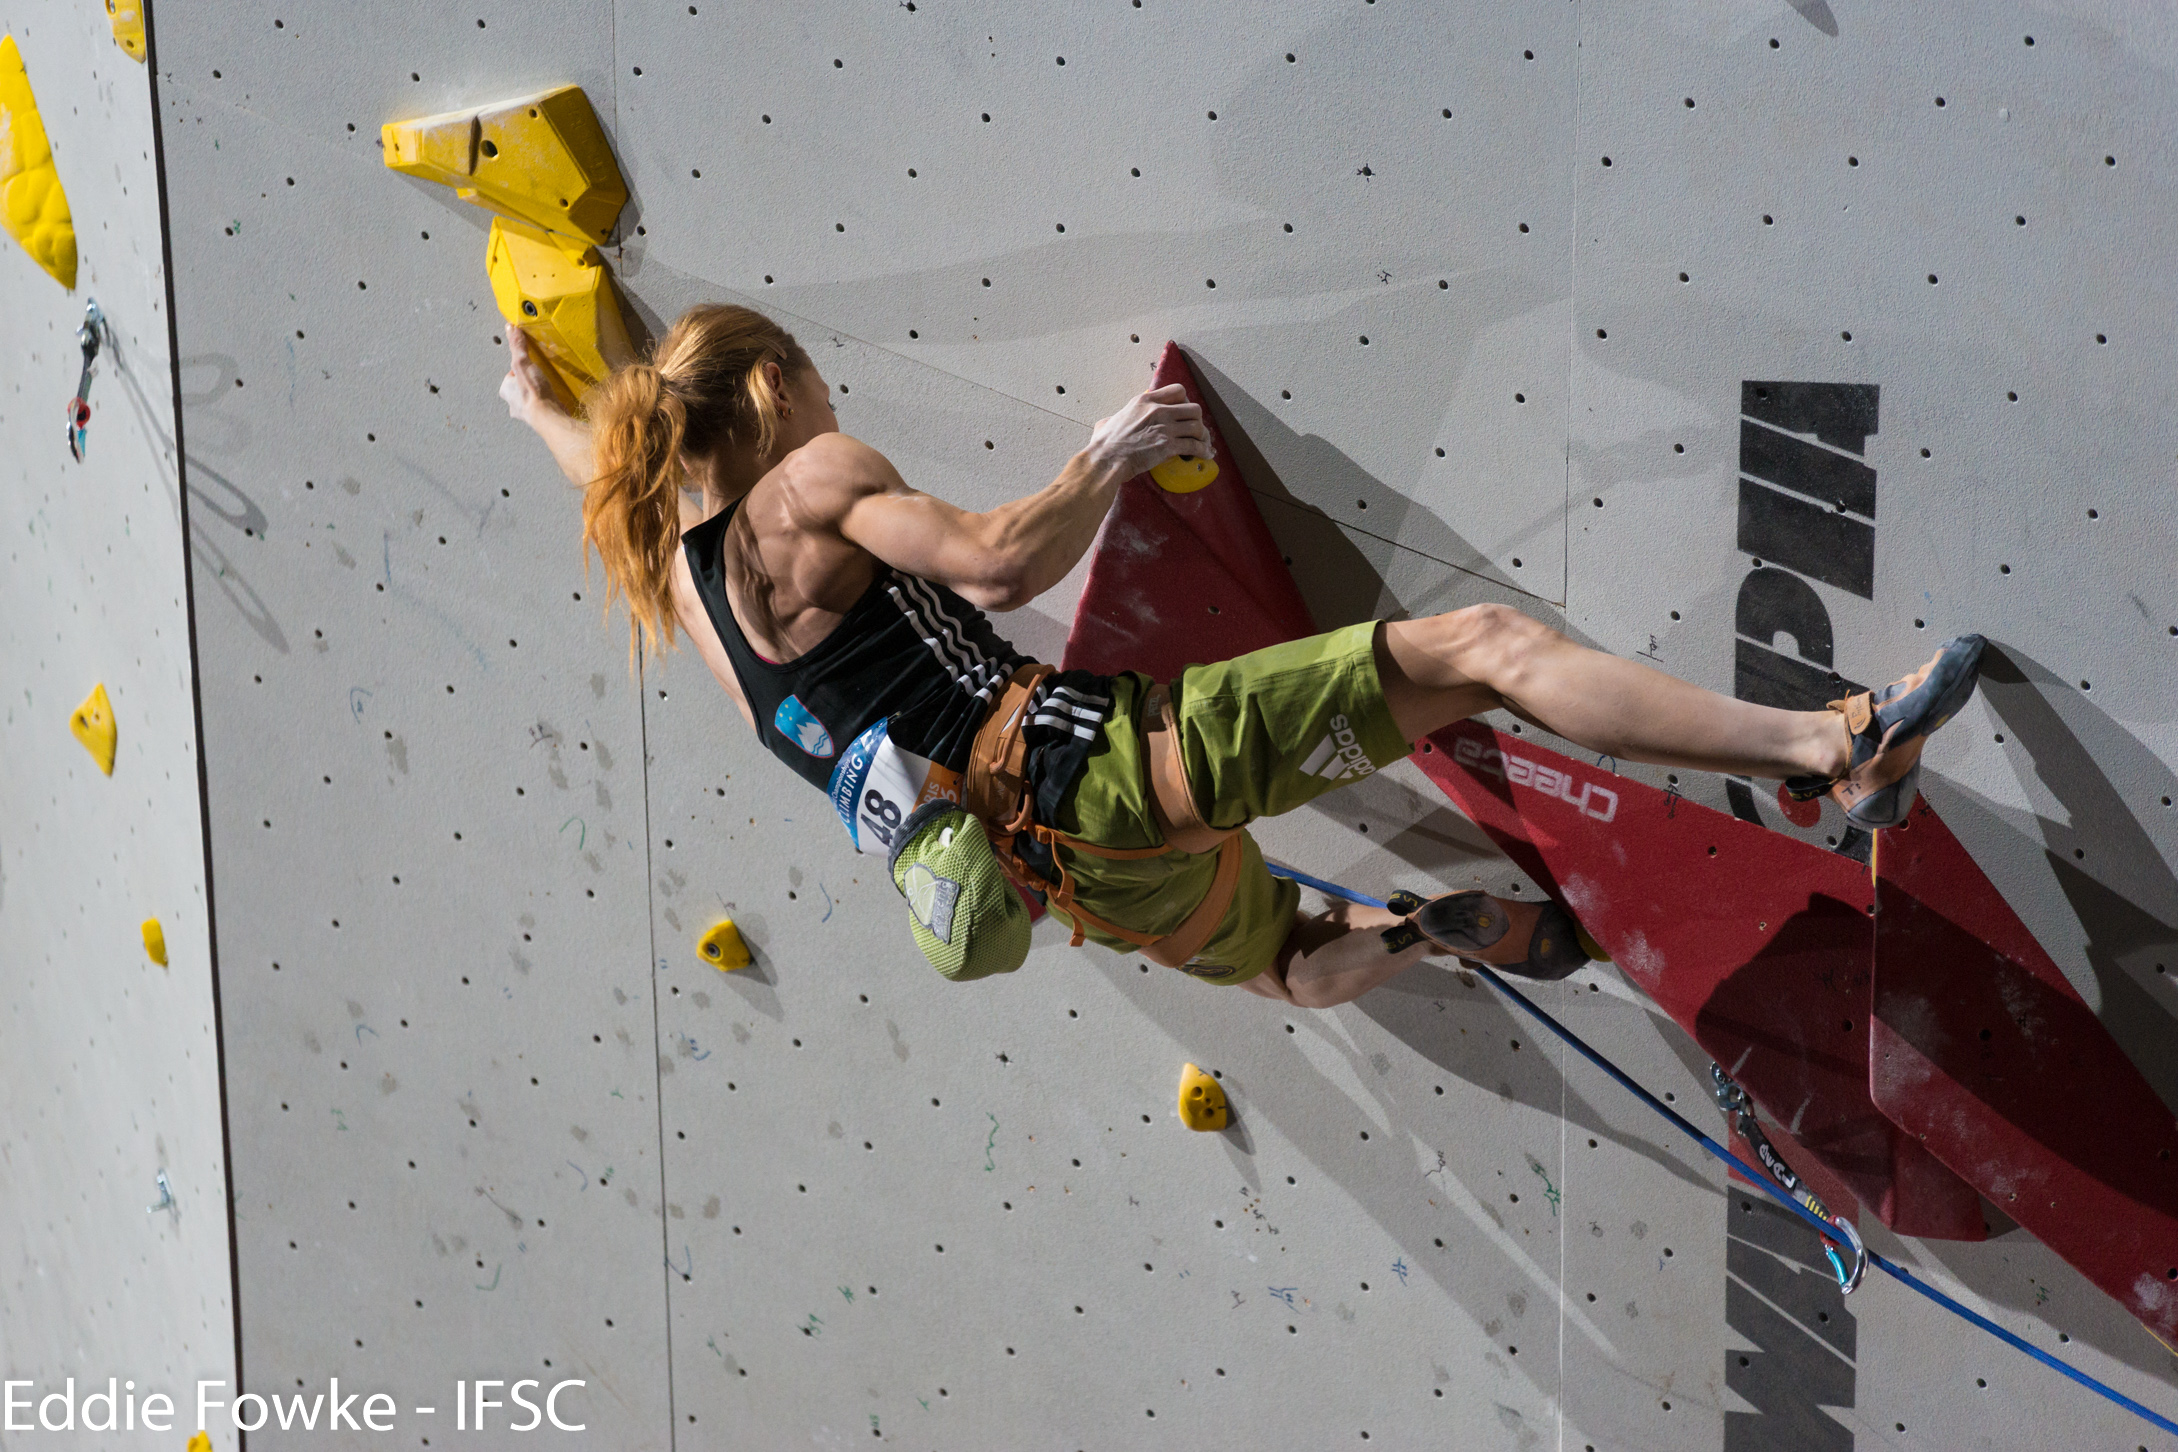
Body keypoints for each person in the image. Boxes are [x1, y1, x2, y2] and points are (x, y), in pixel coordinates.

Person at [501, 303, 1983, 1009]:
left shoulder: (686, 593)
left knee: (1282, 967)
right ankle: (1828, 750)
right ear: (771, 388)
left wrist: (539, 406)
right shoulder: (812, 476)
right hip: (1109, 763)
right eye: (809, 373)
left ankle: (1405, 934)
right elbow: (1003, 559)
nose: (830, 390)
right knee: (1479, 648)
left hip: (1072, 886)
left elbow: (598, 470)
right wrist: (1100, 460)